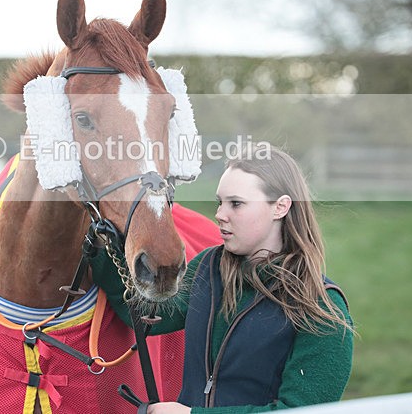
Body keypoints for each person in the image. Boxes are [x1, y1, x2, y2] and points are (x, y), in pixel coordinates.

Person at [91, 144, 354, 413]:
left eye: (236, 204)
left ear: (280, 207)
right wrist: (98, 249)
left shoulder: (323, 307)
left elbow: (299, 411)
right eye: (220, 202)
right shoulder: (208, 269)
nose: (220, 214)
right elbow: (147, 315)